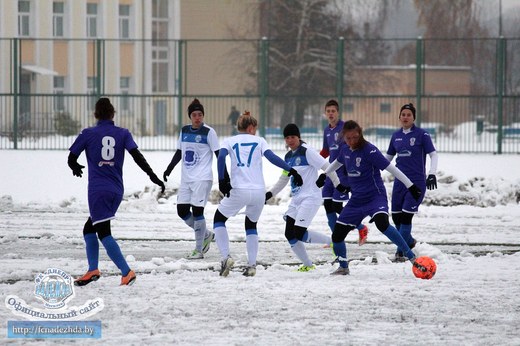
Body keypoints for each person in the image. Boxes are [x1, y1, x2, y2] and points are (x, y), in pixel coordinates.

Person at [68, 97, 165, 286]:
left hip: (98, 190)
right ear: (113, 114)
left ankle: (126, 271)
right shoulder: (123, 133)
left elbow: (71, 157)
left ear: (95, 115)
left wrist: (75, 166)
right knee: (90, 228)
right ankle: (93, 269)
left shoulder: (88, 134)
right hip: (116, 189)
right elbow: (138, 157)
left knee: (103, 232)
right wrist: (153, 176)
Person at [322, 120, 428, 275]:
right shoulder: (344, 149)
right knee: (337, 234)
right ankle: (343, 267)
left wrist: (410, 186)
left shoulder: (369, 150)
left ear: (360, 134)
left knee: (382, 224)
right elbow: (336, 164)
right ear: (344, 137)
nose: (352, 141)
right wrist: (324, 176)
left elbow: (391, 168)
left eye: (355, 137)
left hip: (375, 197)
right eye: (348, 138)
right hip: (357, 199)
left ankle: (411, 257)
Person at [213, 111, 303, 277]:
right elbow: (272, 157)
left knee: (219, 219)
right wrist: (291, 170)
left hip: (239, 189)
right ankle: (252, 265)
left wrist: (221, 180)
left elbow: (220, 158)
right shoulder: (260, 141)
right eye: (254, 128)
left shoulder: (229, 141)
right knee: (251, 225)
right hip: (258, 192)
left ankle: (226, 258)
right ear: (250, 127)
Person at [163, 98, 225, 259]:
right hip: (186, 178)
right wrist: (169, 167)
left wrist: (224, 176)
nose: (197, 117)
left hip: (202, 178)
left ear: (203, 116)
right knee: (182, 211)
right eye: (194, 115)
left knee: (198, 212)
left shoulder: (209, 132)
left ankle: (199, 250)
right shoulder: (184, 130)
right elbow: (179, 152)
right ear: (190, 116)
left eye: (200, 114)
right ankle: (206, 235)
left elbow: (219, 154)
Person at [265, 124, 332, 271]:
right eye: (287, 138)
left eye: (293, 137)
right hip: (296, 200)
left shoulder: (307, 151)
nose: (290, 140)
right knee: (289, 234)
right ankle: (308, 265)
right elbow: (284, 178)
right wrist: (270, 194)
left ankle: (331, 241)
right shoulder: (288, 157)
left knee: (299, 233)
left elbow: (327, 165)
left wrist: (324, 177)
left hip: (310, 197)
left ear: (298, 137)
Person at [385, 103, 438, 261]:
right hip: (399, 183)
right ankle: (409, 242)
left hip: (416, 183)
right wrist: (373, 167)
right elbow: (388, 159)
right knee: (396, 218)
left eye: (409, 114)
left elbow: (433, 155)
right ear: (399, 117)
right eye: (403, 114)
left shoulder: (422, 135)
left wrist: (432, 174)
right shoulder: (395, 136)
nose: (405, 117)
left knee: (406, 218)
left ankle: (401, 252)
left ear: (414, 117)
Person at [317, 99, 368, 245]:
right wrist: (314, 161)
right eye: (328, 111)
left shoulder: (345, 128)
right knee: (328, 205)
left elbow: (354, 147)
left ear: (338, 113)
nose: (331, 114)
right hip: (330, 172)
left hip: (343, 173)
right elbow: (326, 150)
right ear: (325, 113)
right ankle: (336, 239)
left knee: (337, 206)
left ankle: (361, 227)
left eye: (333, 111)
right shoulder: (327, 130)